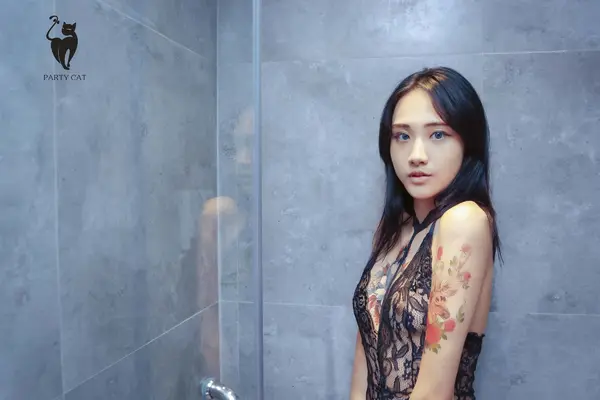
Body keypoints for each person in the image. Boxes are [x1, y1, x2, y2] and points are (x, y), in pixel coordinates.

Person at [350, 67, 502, 400]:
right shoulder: (394, 228)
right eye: (402, 136)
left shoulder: (465, 220)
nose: (416, 156)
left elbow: (435, 391)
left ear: (468, 143)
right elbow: (365, 351)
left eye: (438, 135)